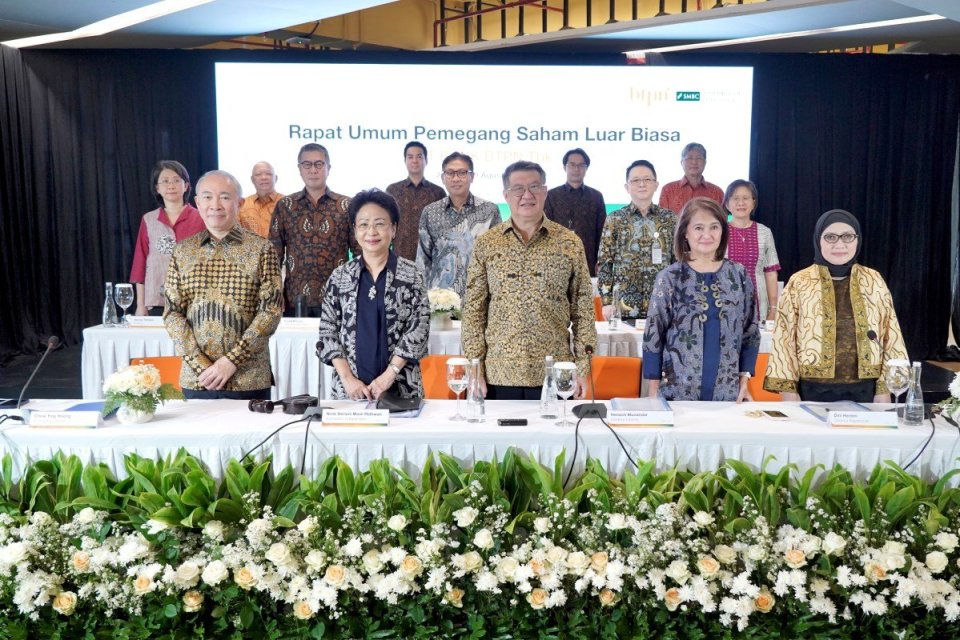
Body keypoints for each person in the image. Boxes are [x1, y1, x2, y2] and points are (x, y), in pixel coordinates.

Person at [462, 160, 597, 400]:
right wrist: (475, 368)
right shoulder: (487, 243)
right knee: (503, 439)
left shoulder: (569, 242)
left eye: (534, 187)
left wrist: (584, 369)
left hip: (555, 372)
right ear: (506, 195)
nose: (527, 195)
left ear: (545, 192)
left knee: (556, 438)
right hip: (498, 375)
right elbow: (474, 310)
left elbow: (583, 308)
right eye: (518, 189)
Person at [764, 209, 908, 402]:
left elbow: (892, 336)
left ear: (858, 240)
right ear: (818, 240)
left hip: (866, 391)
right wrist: (788, 391)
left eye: (848, 236)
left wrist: (884, 388)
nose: (840, 244)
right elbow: (784, 339)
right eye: (830, 237)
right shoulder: (799, 282)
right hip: (812, 392)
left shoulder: (873, 280)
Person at [163, 170, 282, 400]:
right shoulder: (182, 251)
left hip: (248, 379)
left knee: (254, 438)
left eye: (225, 197)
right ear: (197, 202)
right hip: (198, 380)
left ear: (239, 202)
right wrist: (201, 366)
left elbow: (271, 311)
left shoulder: (261, 249)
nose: (215, 205)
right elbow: (172, 313)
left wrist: (231, 361)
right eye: (207, 197)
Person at [643, 197, 760, 402]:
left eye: (714, 227)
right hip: (676, 396)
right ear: (685, 233)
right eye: (698, 228)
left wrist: (745, 380)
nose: (707, 235)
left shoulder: (739, 275)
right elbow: (653, 335)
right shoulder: (670, 277)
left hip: (728, 396)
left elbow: (750, 332)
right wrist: (653, 393)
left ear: (723, 231)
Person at [318, 190, 430, 401]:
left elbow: (418, 330)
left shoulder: (412, 274)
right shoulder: (340, 276)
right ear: (354, 230)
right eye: (363, 224)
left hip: (401, 388)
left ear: (393, 228)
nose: (372, 232)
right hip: (349, 392)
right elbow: (327, 332)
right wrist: (348, 380)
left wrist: (389, 376)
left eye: (380, 223)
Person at [269, 143, 352, 317]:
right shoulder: (286, 205)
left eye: (319, 164)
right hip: (296, 298)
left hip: (338, 297)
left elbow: (360, 253)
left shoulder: (346, 205)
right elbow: (273, 255)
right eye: (307, 164)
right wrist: (275, 294)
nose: (313, 170)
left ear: (328, 168)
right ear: (299, 169)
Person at [596, 160, 677, 322]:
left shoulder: (670, 219)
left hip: (663, 306)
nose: (642, 184)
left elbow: (677, 262)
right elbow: (605, 262)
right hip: (623, 306)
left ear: (656, 185)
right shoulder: (615, 219)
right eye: (635, 180)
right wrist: (606, 301)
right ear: (627, 187)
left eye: (647, 179)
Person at [416, 152, 500, 301]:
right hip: (441, 302)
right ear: (443, 178)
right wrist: (422, 301)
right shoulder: (430, 212)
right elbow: (423, 261)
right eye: (450, 173)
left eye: (462, 173)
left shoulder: (489, 210)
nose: (456, 178)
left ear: (472, 176)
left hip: (479, 299)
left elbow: (497, 260)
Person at [130, 160, 204, 316]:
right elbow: (140, 264)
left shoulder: (202, 218)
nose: (171, 185)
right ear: (157, 188)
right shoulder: (149, 220)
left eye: (177, 180)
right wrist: (140, 305)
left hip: (195, 302)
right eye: (165, 181)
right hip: (158, 300)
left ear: (186, 186)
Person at [723, 180, 781, 321]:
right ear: (727, 204)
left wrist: (773, 309)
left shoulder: (765, 232)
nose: (741, 203)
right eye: (735, 198)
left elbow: (771, 273)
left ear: (753, 202)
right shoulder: (719, 231)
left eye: (746, 198)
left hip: (758, 305)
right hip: (724, 305)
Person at [544, 148, 607, 276]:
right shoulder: (551, 195)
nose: (576, 169)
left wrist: (601, 261)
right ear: (564, 167)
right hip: (558, 260)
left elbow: (603, 232)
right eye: (572, 164)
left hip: (588, 260)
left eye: (581, 165)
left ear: (586, 168)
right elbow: (545, 231)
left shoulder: (596, 196)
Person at [385, 142, 446, 261]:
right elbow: (386, 224)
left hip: (430, 259)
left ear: (426, 160)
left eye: (419, 156)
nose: (414, 160)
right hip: (399, 258)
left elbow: (443, 227)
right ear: (405, 161)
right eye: (410, 157)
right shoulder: (392, 190)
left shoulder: (438, 192)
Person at [658, 143, 724, 213]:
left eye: (699, 158)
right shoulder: (668, 190)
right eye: (689, 158)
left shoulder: (717, 192)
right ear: (682, 162)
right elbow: (660, 219)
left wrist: (731, 220)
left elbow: (729, 217)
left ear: (705, 162)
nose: (694, 162)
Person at [237, 161, 283, 238]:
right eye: (258, 174)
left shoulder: (287, 203)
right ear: (252, 180)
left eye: (268, 174)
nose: (264, 177)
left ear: (276, 178)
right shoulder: (242, 204)